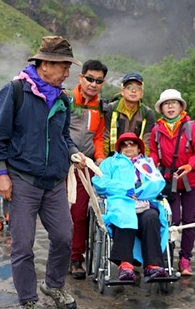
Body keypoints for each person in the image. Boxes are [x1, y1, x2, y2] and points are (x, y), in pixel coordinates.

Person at [0, 35, 86, 309]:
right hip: (22, 181)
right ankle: (28, 299)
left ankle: (53, 285)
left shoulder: (63, 99)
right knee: (23, 245)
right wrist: (1, 174)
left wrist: (73, 152)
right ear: (44, 64)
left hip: (53, 183)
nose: (67, 73)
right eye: (64, 66)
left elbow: (64, 137)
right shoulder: (15, 91)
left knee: (64, 237)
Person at [92, 132, 169, 281]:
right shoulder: (110, 162)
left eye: (132, 144)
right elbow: (99, 182)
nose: (128, 147)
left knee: (152, 217)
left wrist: (140, 192)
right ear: (119, 148)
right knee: (124, 215)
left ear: (139, 148)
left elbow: (158, 183)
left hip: (144, 203)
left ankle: (153, 266)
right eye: (124, 144)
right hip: (121, 204)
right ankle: (125, 265)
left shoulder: (147, 163)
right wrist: (124, 189)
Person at [150, 89, 195, 277]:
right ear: (161, 108)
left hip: (191, 181)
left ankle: (185, 259)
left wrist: (190, 165)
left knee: (189, 222)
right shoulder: (157, 130)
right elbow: (153, 153)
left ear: (180, 106)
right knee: (171, 220)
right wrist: (148, 167)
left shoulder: (192, 127)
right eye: (166, 104)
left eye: (173, 103)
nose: (170, 107)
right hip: (169, 182)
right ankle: (167, 257)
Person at [68, 59, 108, 279]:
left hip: (86, 168)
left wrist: (100, 157)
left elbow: (99, 136)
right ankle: (60, 255)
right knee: (58, 214)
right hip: (62, 165)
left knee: (79, 215)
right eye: (90, 79)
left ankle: (75, 258)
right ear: (81, 77)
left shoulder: (100, 106)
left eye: (98, 81)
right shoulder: (65, 99)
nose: (93, 84)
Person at [103, 73, 156, 156]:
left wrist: (144, 162)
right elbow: (105, 136)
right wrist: (104, 161)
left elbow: (147, 141)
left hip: (137, 159)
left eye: (138, 88)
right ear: (122, 92)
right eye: (129, 87)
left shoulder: (147, 113)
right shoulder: (111, 109)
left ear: (142, 94)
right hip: (113, 157)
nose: (133, 91)